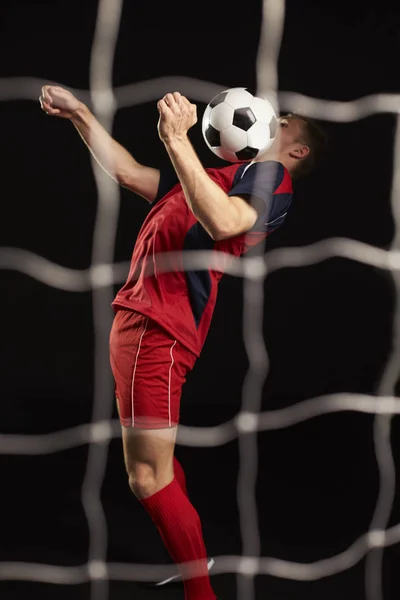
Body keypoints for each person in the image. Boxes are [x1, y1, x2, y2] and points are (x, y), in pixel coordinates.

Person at [39, 85, 327, 600]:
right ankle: (195, 561)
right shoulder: (214, 176)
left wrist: (177, 139)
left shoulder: (269, 177)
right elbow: (128, 173)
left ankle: (201, 592)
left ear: (296, 149)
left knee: (147, 477)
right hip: (140, 320)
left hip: (160, 329)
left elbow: (223, 222)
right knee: (160, 466)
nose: (269, 117)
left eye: (283, 122)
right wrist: (80, 113)